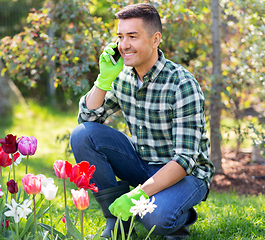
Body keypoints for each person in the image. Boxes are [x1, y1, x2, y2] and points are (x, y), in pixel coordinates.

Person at [70, 3, 215, 240]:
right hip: (142, 163)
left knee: (155, 219)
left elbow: (185, 159)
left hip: (185, 174)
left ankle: (181, 215)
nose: (123, 45)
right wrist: (103, 80)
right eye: (120, 36)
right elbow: (87, 120)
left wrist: (136, 195)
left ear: (155, 39)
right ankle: (116, 220)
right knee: (82, 135)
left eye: (132, 36)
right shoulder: (122, 77)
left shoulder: (181, 83)